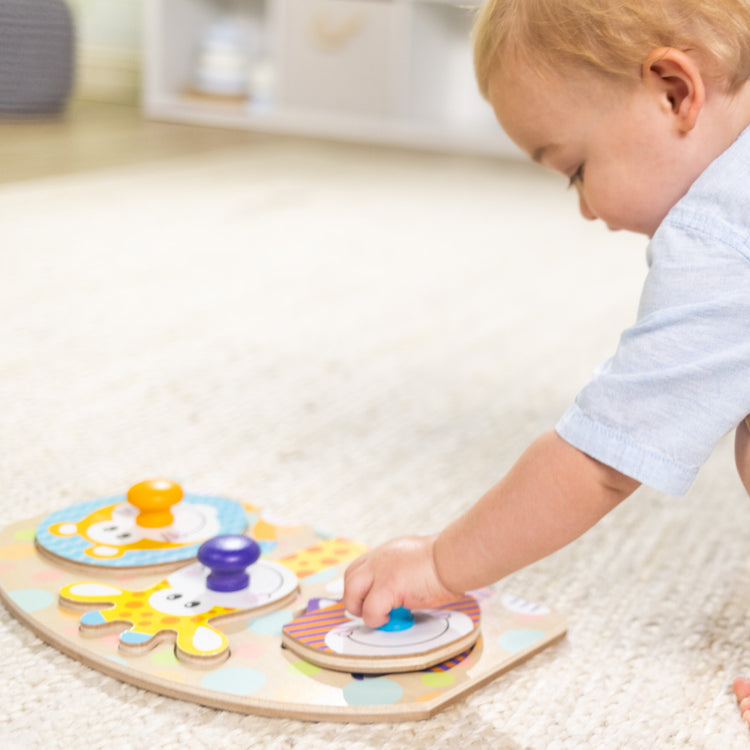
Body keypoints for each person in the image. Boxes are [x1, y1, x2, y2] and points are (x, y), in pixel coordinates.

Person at [341, 0, 750, 727]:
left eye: (575, 170)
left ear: (674, 92)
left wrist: (440, 564)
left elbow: (601, 459)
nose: (587, 209)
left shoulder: (722, 232)